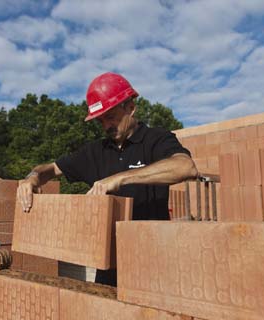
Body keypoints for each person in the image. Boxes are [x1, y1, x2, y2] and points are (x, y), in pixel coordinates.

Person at [17, 72, 198, 286]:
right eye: (101, 120)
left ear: (130, 108)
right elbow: (50, 168)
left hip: (154, 262)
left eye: (111, 116)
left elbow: (186, 167)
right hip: (108, 266)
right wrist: (31, 178)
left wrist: (120, 178)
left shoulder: (156, 139)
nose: (106, 126)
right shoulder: (96, 152)